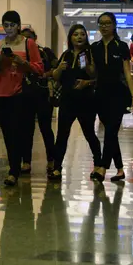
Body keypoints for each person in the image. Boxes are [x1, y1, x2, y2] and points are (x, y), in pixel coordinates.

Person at [90, 12, 133, 182]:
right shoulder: (94, 47)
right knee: (111, 133)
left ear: (113, 25)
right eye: (101, 23)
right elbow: (93, 72)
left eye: (107, 23)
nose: (104, 26)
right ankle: (120, 169)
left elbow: (127, 73)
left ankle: (103, 168)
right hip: (100, 95)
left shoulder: (121, 46)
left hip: (118, 94)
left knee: (111, 131)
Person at [0, 11, 43, 186]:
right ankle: (14, 165)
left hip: (21, 93)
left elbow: (39, 68)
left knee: (18, 132)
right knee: (8, 133)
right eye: (6, 25)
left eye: (12, 25)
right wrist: (1, 60)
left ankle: (14, 170)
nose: (9, 29)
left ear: (18, 25)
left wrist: (23, 63)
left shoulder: (28, 44)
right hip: (2, 93)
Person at [50, 24, 100, 181]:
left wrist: (88, 75)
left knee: (89, 133)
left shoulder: (90, 54)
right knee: (62, 135)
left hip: (86, 101)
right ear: (70, 38)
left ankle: (98, 165)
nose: (79, 37)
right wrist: (59, 69)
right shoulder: (66, 55)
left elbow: (95, 76)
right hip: (67, 101)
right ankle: (57, 167)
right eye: (75, 34)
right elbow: (56, 77)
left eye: (82, 34)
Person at [21, 28, 58, 174]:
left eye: (29, 38)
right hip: (25, 95)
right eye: (24, 38)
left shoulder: (46, 52)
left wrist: (44, 74)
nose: (27, 41)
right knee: (26, 130)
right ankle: (26, 161)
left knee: (46, 129)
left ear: (35, 38)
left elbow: (56, 69)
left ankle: (51, 160)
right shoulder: (20, 54)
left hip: (43, 94)